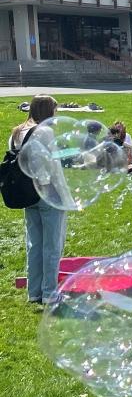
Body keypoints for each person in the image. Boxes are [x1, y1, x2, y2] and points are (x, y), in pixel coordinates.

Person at [9, 95, 67, 305]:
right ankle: (49, 293)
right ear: (48, 111)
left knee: (34, 243)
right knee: (52, 245)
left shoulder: (17, 132)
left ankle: (34, 292)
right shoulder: (45, 131)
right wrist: (64, 195)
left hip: (26, 193)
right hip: (47, 192)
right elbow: (52, 167)